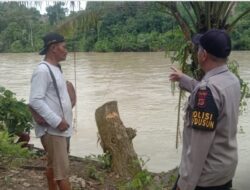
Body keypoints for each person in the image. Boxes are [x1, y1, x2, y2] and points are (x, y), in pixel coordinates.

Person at [169, 29, 241, 190]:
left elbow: (199, 146)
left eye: (198, 48)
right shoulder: (232, 81)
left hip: (205, 179)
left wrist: (185, 184)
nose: (197, 52)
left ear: (204, 55)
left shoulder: (207, 90)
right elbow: (212, 97)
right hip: (224, 170)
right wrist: (184, 79)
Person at [29, 32, 72, 190]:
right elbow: (35, 100)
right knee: (63, 174)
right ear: (53, 48)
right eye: (63, 47)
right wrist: (57, 121)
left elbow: (57, 98)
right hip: (54, 130)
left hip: (62, 129)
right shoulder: (42, 71)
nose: (66, 51)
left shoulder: (56, 68)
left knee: (54, 166)